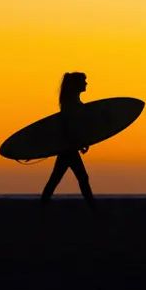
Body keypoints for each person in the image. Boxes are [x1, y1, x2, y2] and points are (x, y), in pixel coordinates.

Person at [41, 72, 96, 207]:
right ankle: (93, 208)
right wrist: (79, 142)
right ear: (77, 84)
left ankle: (42, 204)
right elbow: (70, 126)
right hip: (68, 148)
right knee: (81, 177)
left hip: (68, 147)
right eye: (84, 81)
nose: (86, 83)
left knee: (56, 178)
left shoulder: (71, 101)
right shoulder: (71, 103)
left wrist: (82, 142)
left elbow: (74, 125)